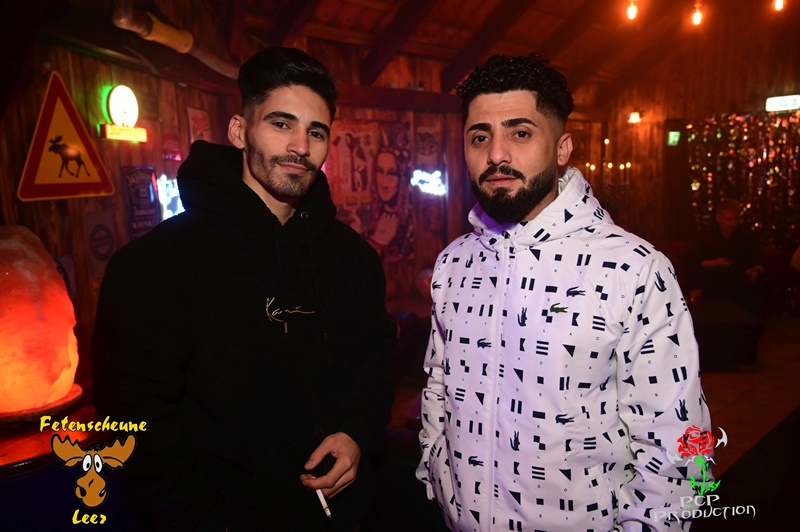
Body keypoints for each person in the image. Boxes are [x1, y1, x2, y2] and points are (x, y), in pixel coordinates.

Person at [92, 47, 396, 531]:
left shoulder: (352, 258)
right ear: (239, 131)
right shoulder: (156, 265)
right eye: (281, 124)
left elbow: (375, 361)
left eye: (316, 132)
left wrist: (357, 433)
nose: (300, 146)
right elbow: (138, 422)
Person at [416, 53, 712, 531]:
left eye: (520, 133)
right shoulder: (455, 263)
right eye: (480, 137)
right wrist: (437, 471)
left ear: (562, 148)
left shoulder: (633, 269)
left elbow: (681, 445)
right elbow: (438, 385)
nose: (496, 155)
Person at [686, 199, 766, 314]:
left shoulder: (747, 236)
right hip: (712, 280)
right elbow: (691, 260)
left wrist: (755, 270)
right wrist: (714, 263)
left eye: (736, 219)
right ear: (719, 218)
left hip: (741, 281)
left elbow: (758, 260)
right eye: (729, 219)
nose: (733, 223)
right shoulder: (705, 236)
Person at [363, 145, 413, 262]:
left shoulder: (409, 225)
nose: (384, 183)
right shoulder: (369, 218)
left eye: (391, 173)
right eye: (380, 172)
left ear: (401, 178)